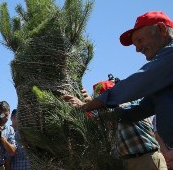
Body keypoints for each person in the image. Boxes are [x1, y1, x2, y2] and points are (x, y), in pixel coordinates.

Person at [66, 11, 173, 150]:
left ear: (161, 29)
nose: (138, 49)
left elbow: (137, 82)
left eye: (140, 40)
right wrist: (98, 115)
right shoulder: (163, 80)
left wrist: (87, 106)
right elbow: (140, 109)